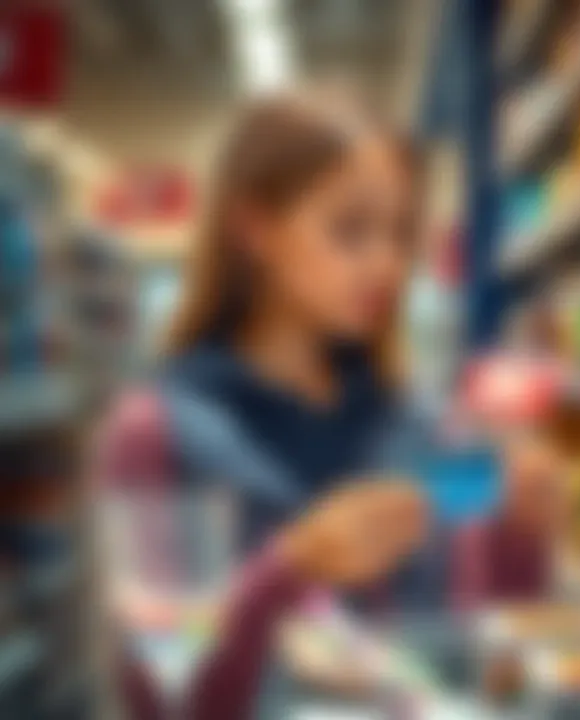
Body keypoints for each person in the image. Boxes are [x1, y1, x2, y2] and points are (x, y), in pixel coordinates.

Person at [98, 90, 428, 557]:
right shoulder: (155, 434)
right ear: (256, 229)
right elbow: (157, 626)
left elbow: (453, 613)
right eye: (351, 229)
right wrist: (295, 567)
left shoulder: (407, 419)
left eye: (401, 233)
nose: (387, 265)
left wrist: (514, 533)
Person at [117, 480, 429, 720]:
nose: (384, 570)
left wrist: (387, 673)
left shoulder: (294, 567)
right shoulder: (280, 574)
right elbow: (315, 657)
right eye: (391, 555)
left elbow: (339, 641)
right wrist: (389, 689)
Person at [450, 431, 569, 610]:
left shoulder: (539, 540)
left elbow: (544, 598)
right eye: (533, 491)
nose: (546, 504)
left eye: (549, 492)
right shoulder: (479, 538)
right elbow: (471, 609)